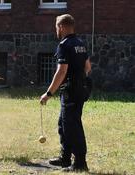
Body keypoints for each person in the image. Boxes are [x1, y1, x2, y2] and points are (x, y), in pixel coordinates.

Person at [39, 14, 91, 172]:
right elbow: (87, 67)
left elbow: (61, 72)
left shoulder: (64, 45)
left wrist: (48, 93)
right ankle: (65, 158)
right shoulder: (80, 44)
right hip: (80, 89)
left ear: (61, 27)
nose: (56, 30)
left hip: (71, 91)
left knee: (72, 126)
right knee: (64, 123)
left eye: (56, 27)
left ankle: (80, 163)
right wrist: (80, 83)